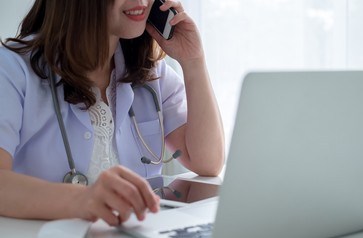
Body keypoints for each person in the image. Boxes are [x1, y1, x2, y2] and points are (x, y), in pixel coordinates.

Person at [0, 0, 225, 226]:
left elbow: (207, 162)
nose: (142, 2)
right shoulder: (11, 70)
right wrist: (83, 199)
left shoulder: (150, 72)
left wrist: (193, 61)